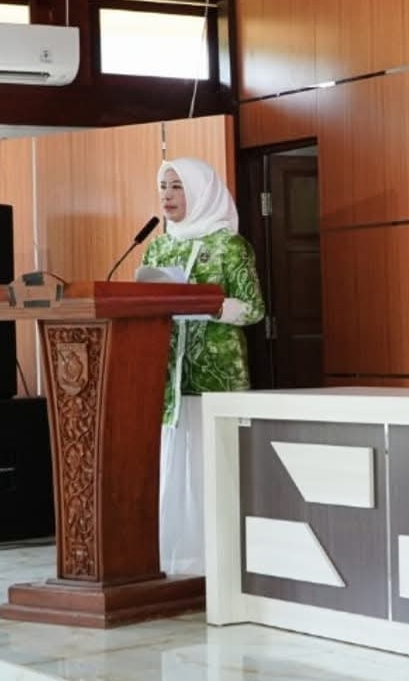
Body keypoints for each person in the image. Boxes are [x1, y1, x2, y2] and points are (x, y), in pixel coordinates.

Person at [139, 157, 265, 575]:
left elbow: (254, 309)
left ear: (201, 191)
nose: (167, 196)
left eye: (177, 186)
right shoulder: (159, 247)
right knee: (177, 470)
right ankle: (177, 559)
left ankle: (220, 562)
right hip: (171, 378)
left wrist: (210, 306)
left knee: (215, 468)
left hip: (217, 376)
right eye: (163, 186)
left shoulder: (230, 246)